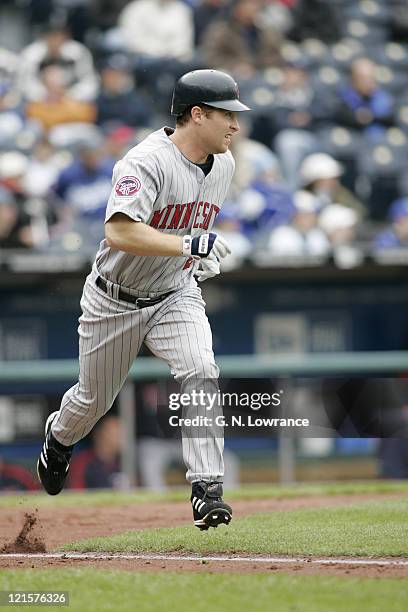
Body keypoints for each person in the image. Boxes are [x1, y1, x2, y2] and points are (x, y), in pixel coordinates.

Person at [37, 69, 250, 531]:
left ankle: (206, 490)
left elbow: (192, 230)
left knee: (201, 370)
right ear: (197, 114)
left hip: (175, 293)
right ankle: (59, 436)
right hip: (115, 299)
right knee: (92, 402)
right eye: (227, 115)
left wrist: (197, 259)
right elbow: (118, 231)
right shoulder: (144, 161)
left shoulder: (225, 164)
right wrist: (188, 245)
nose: (235, 125)